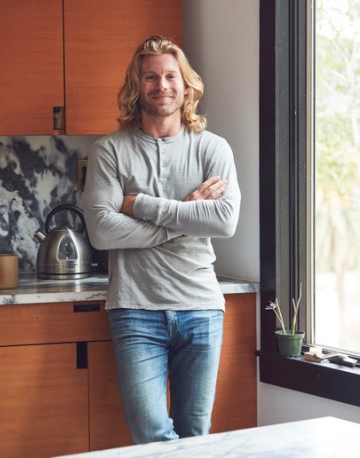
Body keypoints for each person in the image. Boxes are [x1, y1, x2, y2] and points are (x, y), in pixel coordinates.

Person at [81, 35, 241, 444]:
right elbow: (101, 231)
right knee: (150, 432)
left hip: (201, 308)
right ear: (137, 85)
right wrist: (188, 212)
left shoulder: (213, 148)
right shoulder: (109, 151)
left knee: (195, 434)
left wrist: (143, 206)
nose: (162, 85)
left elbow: (223, 221)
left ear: (186, 85)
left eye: (171, 76)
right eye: (151, 77)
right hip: (136, 308)